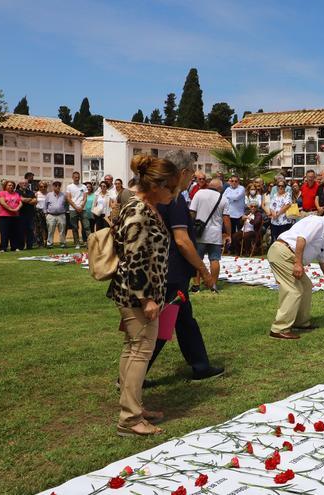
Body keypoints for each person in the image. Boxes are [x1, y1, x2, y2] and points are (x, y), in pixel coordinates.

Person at [107, 154, 180, 437]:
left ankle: (133, 405)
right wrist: (145, 298)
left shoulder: (145, 206)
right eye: (171, 188)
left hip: (141, 292)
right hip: (137, 294)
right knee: (140, 352)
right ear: (157, 184)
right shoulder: (139, 210)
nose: (173, 194)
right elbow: (133, 257)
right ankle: (129, 419)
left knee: (133, 349)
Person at [146, 150, 223, 382]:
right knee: (162, 327)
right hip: (172, 272)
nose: (193, 178)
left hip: (162, 269)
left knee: (184, 321)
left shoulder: (154, 194)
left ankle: (200, 366)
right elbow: (182, 240)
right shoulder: (175, 199)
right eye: (191, 174)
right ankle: (132, 375)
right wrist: (203, 269)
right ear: (182, 173)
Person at [267, 207, 324, 340]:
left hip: (288, 254)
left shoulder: (323, 231)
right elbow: (301, 239)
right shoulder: (317, 222)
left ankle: (301, 322)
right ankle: (279, 328)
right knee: (293, 290)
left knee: (306, 286)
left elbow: (323, 259)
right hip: (284, 254)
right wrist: (298, 263)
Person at [190, 178, 230, 293]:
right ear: (220, 188)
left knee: (197, 259)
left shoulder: (199, 194)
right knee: (214, 259)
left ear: (209, 184)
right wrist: (228, 234)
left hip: (199, 233)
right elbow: (226, 219)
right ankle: (213, 285)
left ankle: (196, 285)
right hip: (215, 234)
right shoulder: (224, 199)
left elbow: (192, 212)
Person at [266, 177, 294, 245]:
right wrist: (273, 214)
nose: (280, 187)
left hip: (284, 221)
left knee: (283, 239)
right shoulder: (275, 195)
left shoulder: (287, 195)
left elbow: (287, 205)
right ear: (277, 187)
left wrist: (277, 214)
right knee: (275, 238)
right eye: (279, 186)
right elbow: (271, 206)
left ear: (285, 187)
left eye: (282, 186)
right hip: (274, 221)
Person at [0, 180, 23, 252]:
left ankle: (14, 247)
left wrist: (17, 209)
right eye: (9, 185)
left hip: (15, 216)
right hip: (4, 216)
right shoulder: (2, 193)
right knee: (4, 232)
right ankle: (3, 248)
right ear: (5, 186)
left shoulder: (16, 194)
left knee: (14, 232)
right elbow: (2, 203)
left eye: (12, 185)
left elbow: (20, 203)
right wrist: (12, 209)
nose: (11, 186)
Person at [223, 175, 246, 253]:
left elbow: (237, 197)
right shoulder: (227, 189)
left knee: (239, 233)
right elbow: (223, 198)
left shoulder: (241, 188)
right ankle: (231, 248)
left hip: (239, 214)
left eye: (236, 181)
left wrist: (229, 197)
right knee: (230, 232)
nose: (234, 182)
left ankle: (239, 249)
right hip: (229, 214)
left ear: (238, 182)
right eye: (232, 181)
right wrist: (231, 197)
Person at [65, 172, 87, 248]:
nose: (77, 179)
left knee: (86, 226)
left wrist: (81, 206)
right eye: (75, 177)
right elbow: (68, 198)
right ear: (72, 177)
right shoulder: (69, 187)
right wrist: (75, 207)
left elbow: (85, 198)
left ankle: (89, 242)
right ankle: (77, 243)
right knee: (74, 227)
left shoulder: (83, 186)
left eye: (78, 177)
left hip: (82, 209)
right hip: (73, 209)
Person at [44, 181, 68, 248]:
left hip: (61, 215)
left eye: (59, 185)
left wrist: (64, 211)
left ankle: (63, 243)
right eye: (56, 185)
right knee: (50, 230)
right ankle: (50, 244)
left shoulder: (63, 195)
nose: (57, 187)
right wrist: (46, 213)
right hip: (51, 215)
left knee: (62, 230)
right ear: (53, 186)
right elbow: (45, 205)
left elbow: (66, 204)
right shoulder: (49, 195)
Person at [16, 179, 37, 249]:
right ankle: (21, 246)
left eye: (26, 183)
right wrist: (29, 199)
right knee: (20, 231)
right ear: (19, 184)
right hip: (20, 214)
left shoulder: (30, 192)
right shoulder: (16, 192)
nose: (24, 184)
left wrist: (25, 200)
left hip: (30, 214)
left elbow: (35, 201)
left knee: (30, 230)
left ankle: (29, 246)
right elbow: (20, 199)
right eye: (23, 183)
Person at [34, 181, 49, 247]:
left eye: (45, 186)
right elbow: (34, 203)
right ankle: (40, 243)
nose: (43, 188)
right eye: (41, 187)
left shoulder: (49, 194)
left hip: (47, 212)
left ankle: (47, 241)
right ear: (38, 187)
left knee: (47, 228)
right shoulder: (36, 194)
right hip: (38, 211)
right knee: (39, 228)